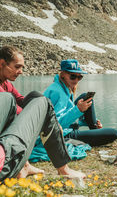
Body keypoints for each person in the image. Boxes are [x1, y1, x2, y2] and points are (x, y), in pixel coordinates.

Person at [0, 45, 85, 179]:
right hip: (5, 155)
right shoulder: (4, 95)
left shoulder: (5, 83)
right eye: (17, 67)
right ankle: (63, 169)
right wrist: (40, 117)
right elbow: (15, 110)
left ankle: (25, 165)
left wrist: (37, 112)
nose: (21, 71)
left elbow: (21, 99)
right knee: (39, 104)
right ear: (2, 64)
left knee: (36, 96)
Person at [43, 59, 117, 147]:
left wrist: (85, 122)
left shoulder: (62, 88)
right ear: (63, 74)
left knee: (85, 97)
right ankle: (95, 133)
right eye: (73, 76)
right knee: (113, 133)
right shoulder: (58, 92)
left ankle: (95, 129)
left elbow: (66, 115)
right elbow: (56, 125)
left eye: (79, 77)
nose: (76, 80)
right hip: (62, 134)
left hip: (66, 129)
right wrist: (78, 110)